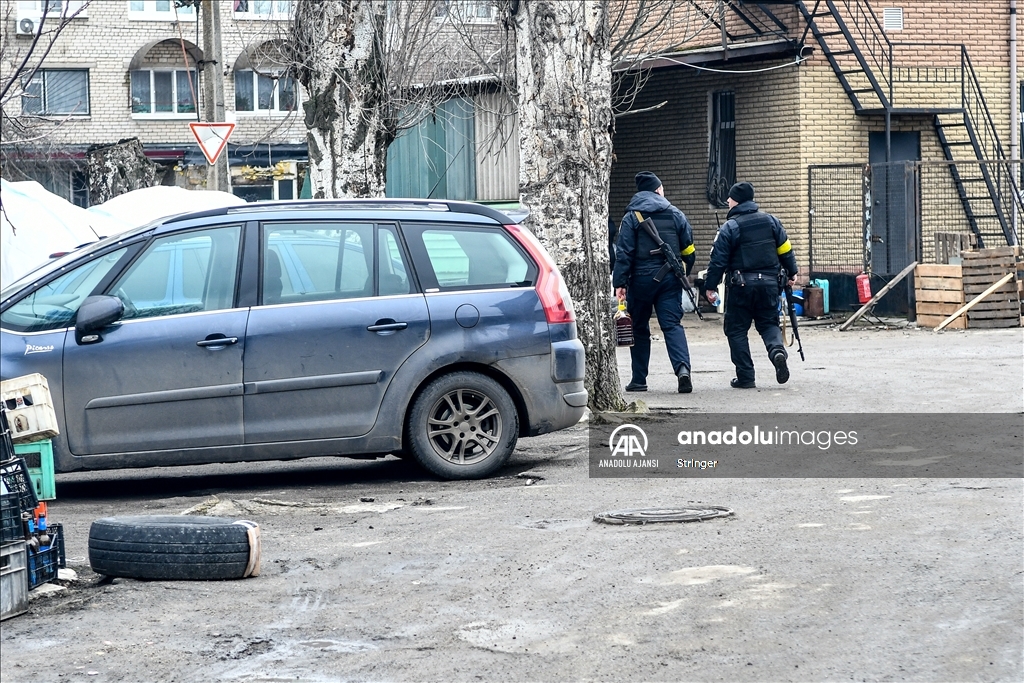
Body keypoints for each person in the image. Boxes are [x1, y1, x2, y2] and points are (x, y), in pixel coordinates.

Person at [704, 181, 798, 389]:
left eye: (729, 198)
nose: (727, 201)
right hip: (770, 285)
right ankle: (777, 352)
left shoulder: (730, 227)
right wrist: (792, 272)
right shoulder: (772, 221)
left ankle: (746, 377)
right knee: (768, 324)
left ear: (736, 200)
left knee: (736, 330)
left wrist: (710, 287)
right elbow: (786, 249)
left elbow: (718, 260)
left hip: (741, 287)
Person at [613, 171, 697, 394]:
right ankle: (682, 370)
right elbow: (689, 250)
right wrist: (683, 271)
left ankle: (639, 380)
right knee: (672, 325)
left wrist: (620, 282)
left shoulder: (631, 217)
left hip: (640, 281)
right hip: (670, 279)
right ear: (658, 190)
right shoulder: (675, 213)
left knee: (639, 328)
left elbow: (624, 253)